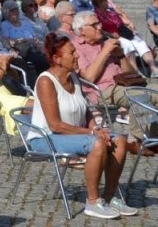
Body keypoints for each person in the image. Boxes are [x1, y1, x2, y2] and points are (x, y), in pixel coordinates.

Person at [31, 33, 134, 218]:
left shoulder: (74, 77)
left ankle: (109, 197)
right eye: (72, 53)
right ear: (57, 59)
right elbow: (55, 125)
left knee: (119, 140)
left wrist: (97, 128)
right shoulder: (46, 81)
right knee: (97, 143)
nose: (77, 55)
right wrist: (93, 132)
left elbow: (85, 112)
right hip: (45, 137)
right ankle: (92, 202)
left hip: (74, 135)